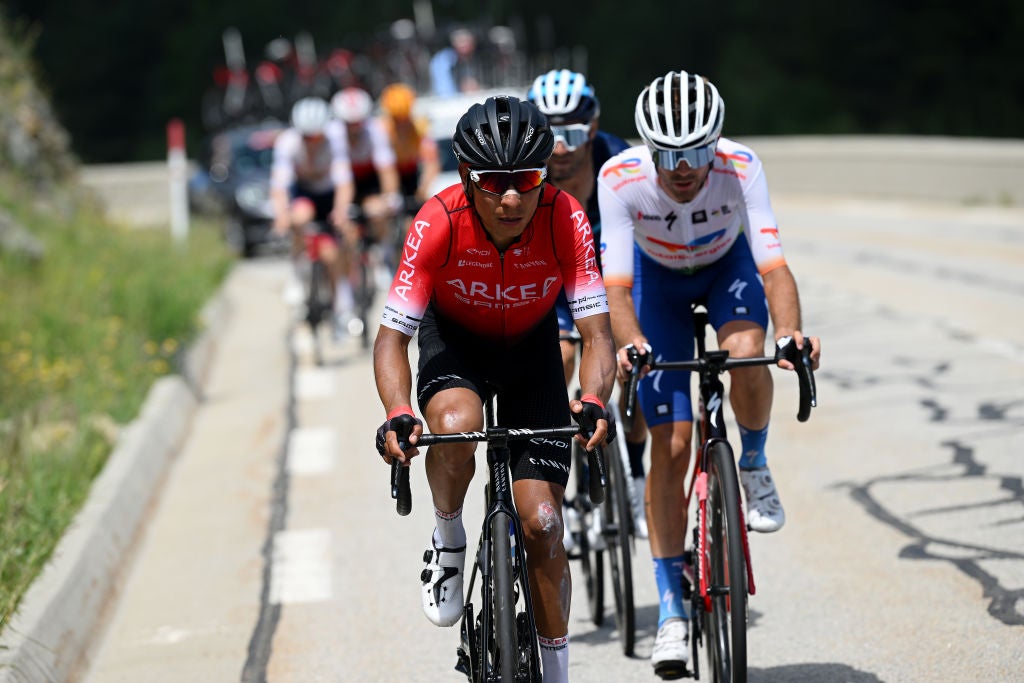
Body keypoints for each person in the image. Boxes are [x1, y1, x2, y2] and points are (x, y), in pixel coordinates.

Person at [373, 95, 616, 683]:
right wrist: (399, 411)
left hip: (532, 350)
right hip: (455, 342)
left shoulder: (565, 218)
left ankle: (557, 672)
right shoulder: (436, 220)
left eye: (527, 180)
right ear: (465, 178)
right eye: (493, 182)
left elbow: (596, 333)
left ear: (545, 175)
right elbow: (390, 340)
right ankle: (450, 534)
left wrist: (593, 400)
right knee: (454, 428)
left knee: (544, 524)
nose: (511, 198)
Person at [597, 70, 822, 678]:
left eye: (696, 151)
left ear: (715, 143)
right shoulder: (619, 179)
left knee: (751, 350)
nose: (682, 167)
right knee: (671, 446)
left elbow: (774, 266)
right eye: (668, 153)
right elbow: (615, 288)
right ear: (648, 146)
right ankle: (671, 609)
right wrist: (634, 343)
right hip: (655, 286)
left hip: (728, 269)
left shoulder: (741, 165)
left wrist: (791, 333)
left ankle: (752, 461)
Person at [526, 68, 650, 540]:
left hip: (613, 281)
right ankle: (566, 477)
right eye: (551, 134)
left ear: (594, 127)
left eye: (574, 133)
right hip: (559, 284)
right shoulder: (525, 171)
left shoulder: (620, 161)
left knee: (631, 366)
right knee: (559, 361)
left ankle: (635, 473)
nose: (561, 147)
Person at [270, 96, 357, 334]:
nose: (312, 141)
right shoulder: (287, 143)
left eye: (316, 136)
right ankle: (297, 274)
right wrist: (281, 216)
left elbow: (344, 184)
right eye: (306, 137)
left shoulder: (336, 141)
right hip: (305, 194)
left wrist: (340, 212)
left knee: (333, 252)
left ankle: (343, 302)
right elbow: (278, 187)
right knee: (297, 218)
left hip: (330, 195)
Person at [329, 86, 404, 245]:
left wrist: (391, 197)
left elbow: (387, 169)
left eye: (358, 123)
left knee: (377, 211)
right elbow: (343, 180)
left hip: (369, 182)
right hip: (343, 185)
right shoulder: (333, 134)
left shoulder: (375, 129)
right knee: (343, 223)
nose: (355, 128)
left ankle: (384, 251)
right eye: (350, 124)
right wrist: (341, 209)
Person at [378, 82, 441, 212]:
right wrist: (390, 194)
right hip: (387, 172)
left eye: (404, 118)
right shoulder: (381, 128)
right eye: (396, 119)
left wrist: (423, 189)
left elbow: (432, 162)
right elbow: (385, 167)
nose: (401, 123)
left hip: (411, 173)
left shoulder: (420, 127)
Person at [428, 27, 482, 96]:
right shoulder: (443, 60)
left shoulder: (475, 59)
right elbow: (445, 93)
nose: (464, 45)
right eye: (461, 42)